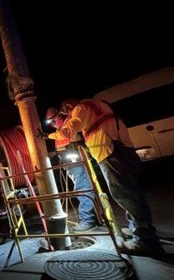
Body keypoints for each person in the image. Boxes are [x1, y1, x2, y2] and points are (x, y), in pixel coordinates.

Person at [56, 98, 165, 256]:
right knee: (130, 192)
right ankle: (138, 228)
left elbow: (69, 130)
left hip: (109, 151)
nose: (68, 116)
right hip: (121, 147)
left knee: (125, 194)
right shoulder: (98, 104)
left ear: (67, 106)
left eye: (66, 113)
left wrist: (53, 133)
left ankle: (145, 240)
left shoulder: (81, 108)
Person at [39, 107, 99, 232]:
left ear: (60, 114)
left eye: (54, 118)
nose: (53, 122)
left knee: (83, 189)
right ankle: (94, 218)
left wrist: (47, 136)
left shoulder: (68, 125)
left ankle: (88, 220)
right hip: (70, 164)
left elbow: (70, 138)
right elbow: (63, 146)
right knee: (82, 189)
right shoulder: (59, 130)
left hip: (76, 162)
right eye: (50, 121)